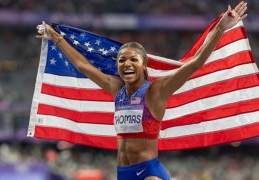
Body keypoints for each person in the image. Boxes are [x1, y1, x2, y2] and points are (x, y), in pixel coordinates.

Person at [37, 2, 247, 180]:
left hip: (149, 173)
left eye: (133, 59)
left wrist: (220, 28)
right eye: (121, 60)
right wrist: (56, 38)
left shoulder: (156, 91)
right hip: (123, 173)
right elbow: (83, 66)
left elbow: (194, 64)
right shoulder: (116, 88)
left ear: (144, 65)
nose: (126, 64)